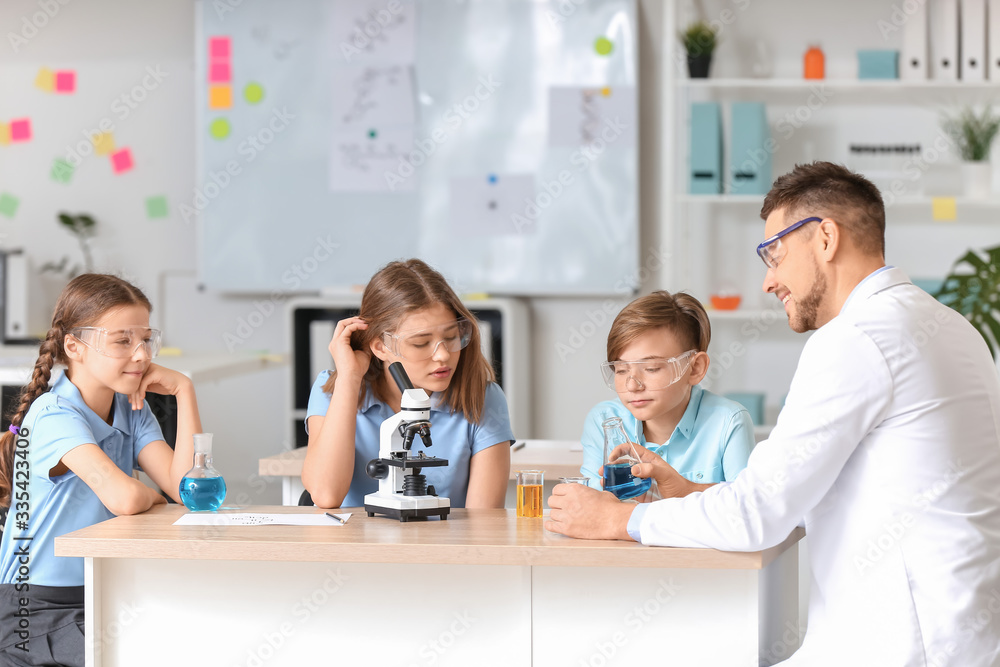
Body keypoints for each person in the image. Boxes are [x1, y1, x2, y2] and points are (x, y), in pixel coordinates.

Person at [546, 162, 1000, 666]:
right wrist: (696, 492)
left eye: (774, 254)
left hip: (899, 645)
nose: (768, 281)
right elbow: (807, 496)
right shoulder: (949, 326)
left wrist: (619, 518)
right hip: (959, 638)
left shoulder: (855, 340)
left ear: (825, 237)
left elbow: (757, 518)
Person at [0, 274, 204, 667]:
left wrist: (184, 391)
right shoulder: (53, 413)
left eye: (145, 339)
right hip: (33, 609)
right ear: (74, 346)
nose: (142, 354)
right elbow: (126, 497)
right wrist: (150, 494)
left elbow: (188, 490)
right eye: (123, 341)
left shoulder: (131, 409)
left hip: (97, 590)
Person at [302, 259, 513, 510]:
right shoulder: (331, 389)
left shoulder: (483, 397)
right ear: (381, 346)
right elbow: (326, 495)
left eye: (451, 337)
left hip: (446, 548)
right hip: (353, 547)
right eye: (421, 343)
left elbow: (483, 524)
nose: (443, 355)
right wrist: (349, 378)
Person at [580, 291, 753, 496]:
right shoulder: (605, 420)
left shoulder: (728, 422)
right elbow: (593, 505)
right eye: (621, 370)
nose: (632, 386)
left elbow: (748, 506)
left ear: (695, 368)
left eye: (651, 368)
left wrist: (686, 490)